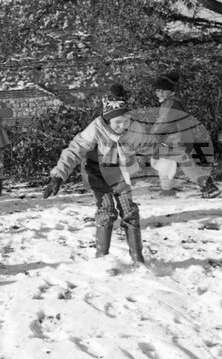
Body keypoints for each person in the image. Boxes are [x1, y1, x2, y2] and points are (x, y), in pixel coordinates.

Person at [43, 83, 152, 263]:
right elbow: (75, 149)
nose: (122, 126)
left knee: (129, 211)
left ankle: (137, 258)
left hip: (121, 173)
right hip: (97, 172)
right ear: (108, 120)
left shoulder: (134, 128)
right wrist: (58, 176)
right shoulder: (96, 128)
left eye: (126, 121)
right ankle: (102, 257)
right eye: (117, 122)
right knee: (107, 210)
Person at [149, 75, 220, 198]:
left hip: (177, 138)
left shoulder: (170, 103)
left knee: (184, 163)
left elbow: (164, 121)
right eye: (157, 91)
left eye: (161, 90)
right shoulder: (175, 101)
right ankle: (167, 189)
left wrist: (152, 134)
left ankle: (209, 186)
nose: (158, 93)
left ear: (169, 90)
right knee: (165, 161)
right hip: (181, 137)